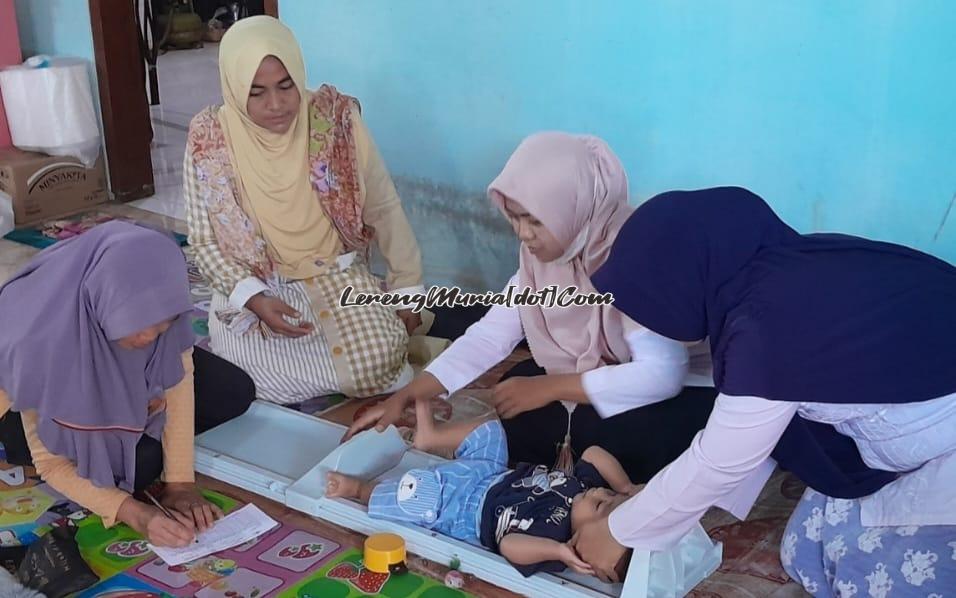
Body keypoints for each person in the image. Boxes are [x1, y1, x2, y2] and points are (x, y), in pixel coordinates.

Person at [570, 186, 956, 595]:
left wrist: (620, 531)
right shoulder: (786, 268)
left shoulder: (764, 330)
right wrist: (656, 504)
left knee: (872, 572)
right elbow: (749, 436)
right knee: (803, 546)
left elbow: (720, 462)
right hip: (916, 406)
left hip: (940, 437)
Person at [345, 132, 715, 482]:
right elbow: (491, 336)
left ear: (573, 207)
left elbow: (662, 376)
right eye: (515, 217)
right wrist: (410, 393)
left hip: (683, 387)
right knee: (516, 390)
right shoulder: (542, 261)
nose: (522, 233)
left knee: (615, 434)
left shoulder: (635, 255)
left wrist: (551, 387)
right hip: (608, 374)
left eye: (535, 220)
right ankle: (546, 448)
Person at [185, 16, 424, 404]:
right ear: (233, 86)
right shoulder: (209, 138)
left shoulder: (335, 121)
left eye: (286, 86)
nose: (276, 105)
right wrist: (255, 300)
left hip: (334, 275)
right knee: (242, 381)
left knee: (381, 360)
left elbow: (383, 206)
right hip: (258, 285)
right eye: (256, 92)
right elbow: (203, 239)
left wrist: (407, 290)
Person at [0, 221, 255, 548]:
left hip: (111, 358)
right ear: (104, 304)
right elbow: (52, 464)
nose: (148, 338)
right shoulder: (36, 343)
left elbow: (178, 381)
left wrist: (180, 485)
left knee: (234, 391)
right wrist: (135, 514)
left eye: (159, 327)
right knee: (139, 466)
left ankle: (130, 411)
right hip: (33, 410)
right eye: (136, 326)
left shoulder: (159, 308)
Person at [328, 398, 637, 577]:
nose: (600, 493)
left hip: (464, 507)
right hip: (493, 473)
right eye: (608, 495)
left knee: (418, 493)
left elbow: (509, 546)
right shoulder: (584, 488)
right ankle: (431, 438)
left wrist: (558, 550)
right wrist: (625, 487)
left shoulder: (556, 543)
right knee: (491, 431)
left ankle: (358, 489)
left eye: (601, 504)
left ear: (584, 551)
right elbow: (594, 453)